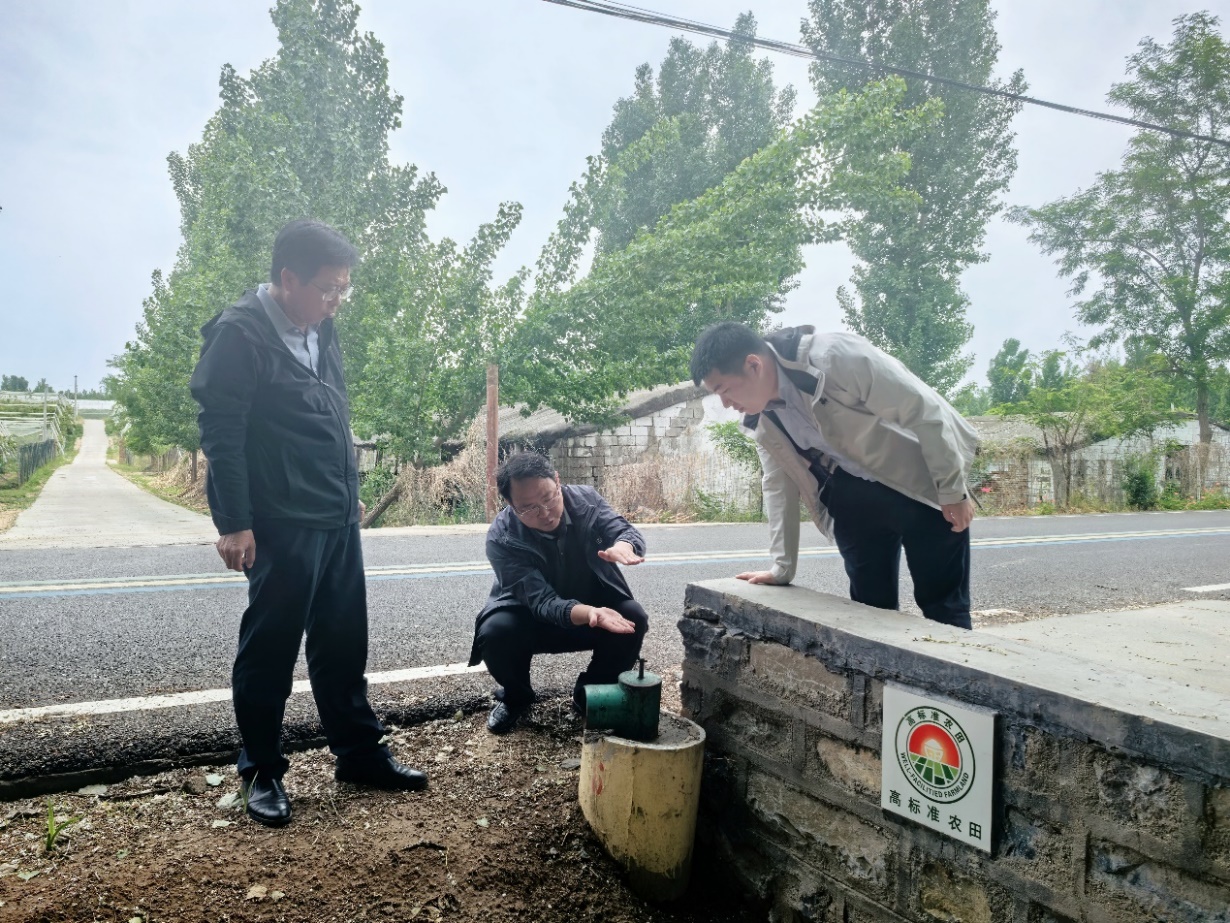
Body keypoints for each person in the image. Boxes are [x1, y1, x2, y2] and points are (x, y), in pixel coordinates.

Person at [190, 219, 427, 828]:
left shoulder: (322, 325)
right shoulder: (239, 335)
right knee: (271, 649)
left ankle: (358, 754)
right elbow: (223, 434)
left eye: (343, 289)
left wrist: (350, 492)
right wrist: (234, 522)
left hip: (333, 512)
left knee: (343, 639)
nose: (336, 300)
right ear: (287, 279)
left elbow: (334, 410)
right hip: (280, 518)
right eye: (327, 289)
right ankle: (261, 771)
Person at [690, 322, 979, 629]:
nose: (725, 404)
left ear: (753, 365)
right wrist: (782, 568)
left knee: (944, 607)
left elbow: (924, 411)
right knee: (871, 611)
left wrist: (952, 491)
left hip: (919, 481)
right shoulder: (760, 419)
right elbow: (778, 484)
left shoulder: (835, 357)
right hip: (853, 497)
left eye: (724, 390)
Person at [470, 451, 649, 734]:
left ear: (557, 480)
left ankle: (590, 694)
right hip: (532, 618)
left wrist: (624, 546)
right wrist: (588, 613)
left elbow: (622, 529)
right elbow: (541, 601)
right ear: (510, 504)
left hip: (591, 610)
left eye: (549, 498)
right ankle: (517, 697)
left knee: (632, 617)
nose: (545, 513)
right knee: (495, 632)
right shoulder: (501, 537)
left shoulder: (586, 500)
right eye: (529, 508)